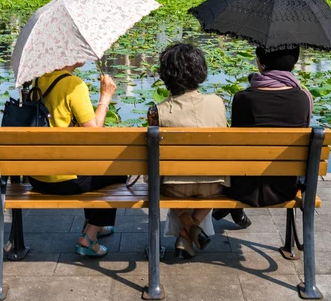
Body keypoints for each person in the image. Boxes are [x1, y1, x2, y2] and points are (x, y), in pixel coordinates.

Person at [27, 63, 124, 258]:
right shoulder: (74, 85)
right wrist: (105, 96)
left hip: (37, 179)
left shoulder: (37, 82)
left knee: (92, 167)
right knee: (118, 171)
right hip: (65, 182)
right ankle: (89, 235)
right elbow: (94, 134)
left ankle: (93, 223)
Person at [212, 47, 313, 227]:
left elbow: (237, 147)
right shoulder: (303, 99)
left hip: (244, 188)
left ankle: (231, 209)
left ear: (261, 63)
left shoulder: (242, 98)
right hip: (285, 188)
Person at [147, 43, 228, 259]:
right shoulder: (218, 103)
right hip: (214, 186)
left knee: (162, 179)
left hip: (172, 188)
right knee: (208, 180)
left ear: (166, 75)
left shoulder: (157, 111)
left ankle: (188, 227)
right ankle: (189, 232)